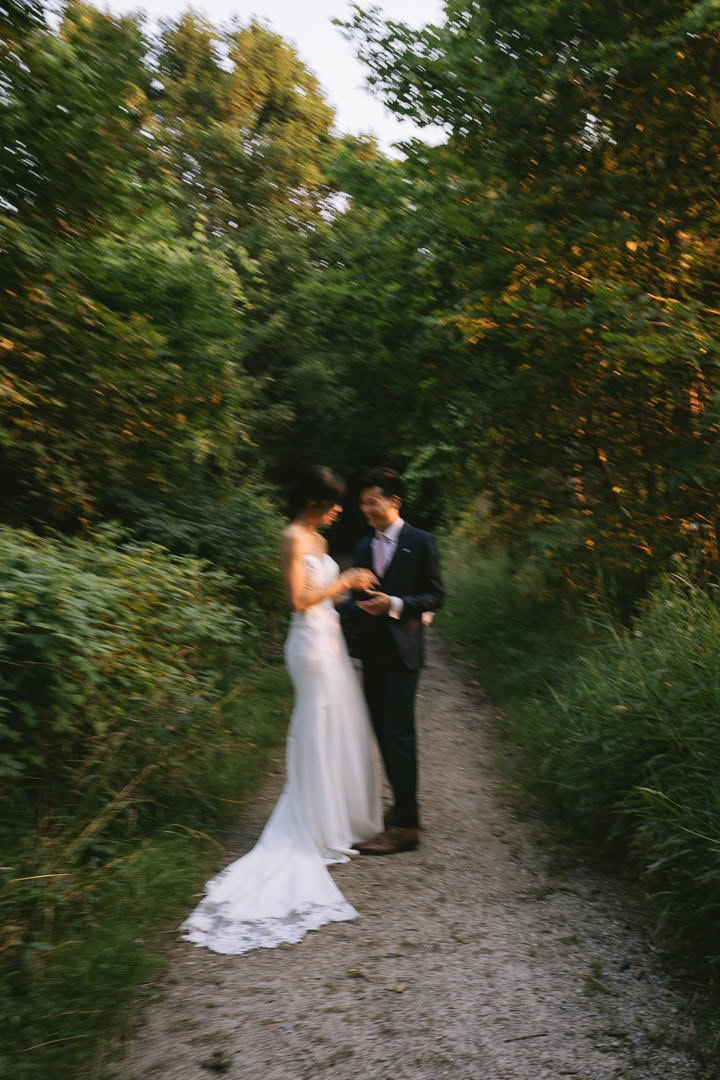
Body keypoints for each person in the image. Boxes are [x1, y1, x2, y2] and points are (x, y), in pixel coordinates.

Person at [181, 466, 382, 954]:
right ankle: (313, 825)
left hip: (329, 639)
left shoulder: (315, 534)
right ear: (314, 501)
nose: (339, 509)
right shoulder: (293, 537)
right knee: (316, 726)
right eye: (333, 502)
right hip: (309, 646)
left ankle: (336, 818)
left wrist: (352, 592)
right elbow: (297, 600)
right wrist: (346, 581)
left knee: (338, 725)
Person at [341, 466, 444, 856]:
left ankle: (405, 827)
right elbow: (353, 600)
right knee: (382, 734)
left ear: (394, 502)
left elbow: (436, 596)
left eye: (373, 502)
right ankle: (402, 808)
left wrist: (396, 604)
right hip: (372, 654)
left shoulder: (421, 541)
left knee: (400, 735)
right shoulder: (363, 547)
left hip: (404, 654)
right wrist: (347, 607)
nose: (365, 509)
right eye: (362, 503)